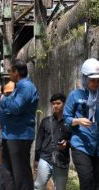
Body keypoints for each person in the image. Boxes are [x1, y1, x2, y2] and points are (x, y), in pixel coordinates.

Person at [0, 58, 39, 190]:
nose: (8, 74)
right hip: (10, 135)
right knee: (7, 174)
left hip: (20, 136)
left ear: (16, 72)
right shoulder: (18, 88)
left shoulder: (26, 87)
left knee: (21, 175)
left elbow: (15, 107)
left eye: (9, 71)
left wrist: (0, 96)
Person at [63, 58, 99, 190]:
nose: (96, 83)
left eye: (98, 80)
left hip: (97, 146)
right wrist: (77, 121)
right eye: (92, 80)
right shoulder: (75, 95)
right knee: (87, 181)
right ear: (85, 79)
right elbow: (66, 118)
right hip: (80, 145)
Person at [34, 93, 71, 190]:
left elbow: (75, 139)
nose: (55, 106)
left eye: (58, 103)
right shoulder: (45, 121)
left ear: (64, 104)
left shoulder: (69, 122)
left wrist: (67, 143)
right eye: (53, 103)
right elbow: (39, 140)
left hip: (61, 159)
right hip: (45, 158)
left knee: (60, 188)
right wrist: (36, 159)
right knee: (38, 186)